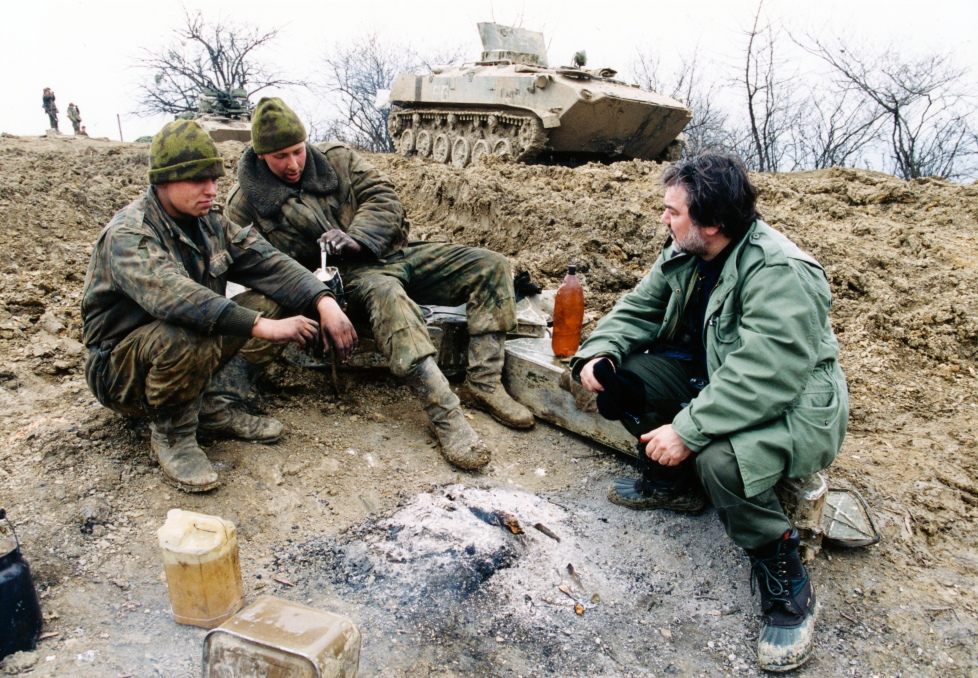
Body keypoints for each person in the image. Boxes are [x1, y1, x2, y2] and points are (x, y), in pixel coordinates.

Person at [571, 153, 848, 672]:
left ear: (713, 223)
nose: (663, 219)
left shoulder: (781, 272)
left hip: (791, 404)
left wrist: (688, 429)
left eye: (672, 211)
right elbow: (642, 305)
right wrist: (600, 352)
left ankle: (782, 573)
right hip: (715, 377)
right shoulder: (686, 246)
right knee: (624, 383)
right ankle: (677, 486)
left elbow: (766, 376)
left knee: (720, 458)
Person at [226, 97, 534, 471]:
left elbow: (383, 196)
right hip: (338, 284)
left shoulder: (336, 159)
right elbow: (257, 265)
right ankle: (446, 415)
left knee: (490, 265)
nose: (292, 164)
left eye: (297, 151)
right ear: (261, 157)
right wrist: (316, 292)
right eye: (280, 157)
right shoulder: (245, 202)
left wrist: (358, 237)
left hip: (387, 252)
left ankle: (484, 382)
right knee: (388, 294)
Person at [81, 119, 356, 493]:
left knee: (273, 297)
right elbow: (178, 299)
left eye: (214, 179)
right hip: (121, 373)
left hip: (181, 345)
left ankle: (213, 406)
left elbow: (268, 263)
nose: (212, 190)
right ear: (163, 182)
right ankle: (174, 435)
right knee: (189, 330)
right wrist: (263, 327)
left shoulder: (209, 221)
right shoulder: (130, 234)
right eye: (198, 181)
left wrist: (323, 301)